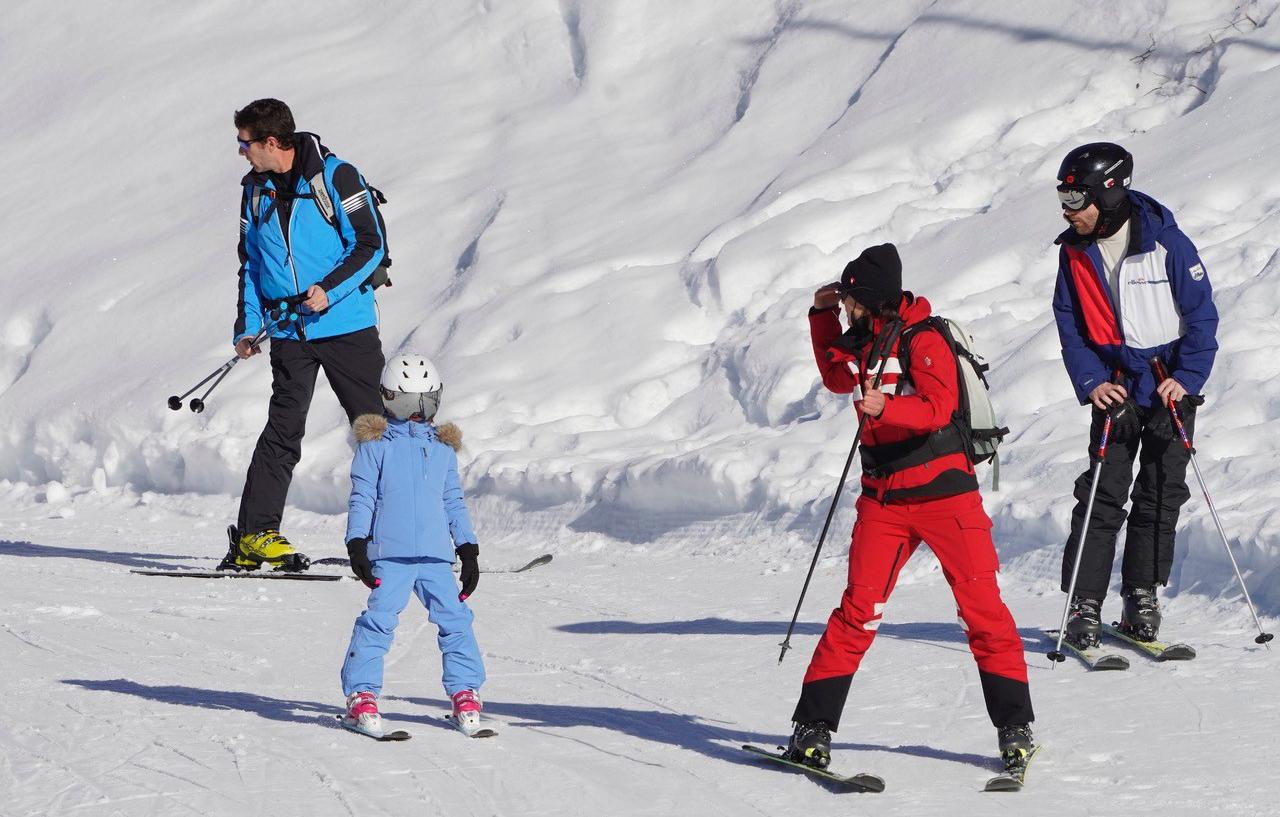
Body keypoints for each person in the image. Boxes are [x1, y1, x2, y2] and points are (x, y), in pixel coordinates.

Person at [787, 243, 1035, 771]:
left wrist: (886, 407)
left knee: (983, 613)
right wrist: (820, 314)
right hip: (883, 501)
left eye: (851, 297)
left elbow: (938, 406)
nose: (847, 305)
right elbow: (835, 377)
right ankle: (811, 729)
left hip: (947, 499)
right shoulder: (866, 338)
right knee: (858, 612)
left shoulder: (924, 338)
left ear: (872, 298)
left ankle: (1016, 728)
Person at [1051, 143, 1218, 646]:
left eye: (1076, 197)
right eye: (1064, 197)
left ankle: (1141, 595)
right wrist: (1092, 382)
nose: (1068, 209)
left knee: (1160, 496)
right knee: (1102, 496)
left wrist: (1187, 379)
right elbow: (1070, 323)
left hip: (1168, 385)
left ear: (1110, 190)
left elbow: (1202, 316)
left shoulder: (1168, 242)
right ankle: (1084, 604)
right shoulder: (1074, 252)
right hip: (1115, 387)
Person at [219, 98, 389, 571]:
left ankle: (403, 531)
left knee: (376, 429)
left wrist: (328, 292)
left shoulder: (336, 177)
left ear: (272, 142)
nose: (241, 152)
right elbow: (251, 263)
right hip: (288, 331)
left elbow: (370, 245)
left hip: (345, 327)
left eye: (245, 143)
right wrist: (249, 327)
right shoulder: (253, 190)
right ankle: (254, 537)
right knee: (283, 430)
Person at [339, 353, 487, 737]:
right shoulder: (375, 447)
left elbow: (452, 501)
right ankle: (362, 696)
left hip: (436, 557)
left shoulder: (442, 450)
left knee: (456, 622)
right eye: (409, 404)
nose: (419, 413)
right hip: (391, 555)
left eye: (427, 402)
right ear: (390, 400)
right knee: (379, 622)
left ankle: (465, 693)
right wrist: (357, 543)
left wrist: (467, 549)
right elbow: (363, 497)